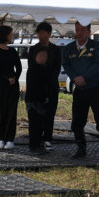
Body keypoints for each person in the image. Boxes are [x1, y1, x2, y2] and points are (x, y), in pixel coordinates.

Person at [62, 21, 99, 160]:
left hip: (95, 89)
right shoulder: (69, 48)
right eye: (77, 29)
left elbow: (98, 64)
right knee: (77, 122)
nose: (79, 32)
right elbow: (66, 64)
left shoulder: (96, 46)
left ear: (89, 32)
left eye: (83, 30)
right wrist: (74, 78)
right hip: (79, 89)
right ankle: (81, 148)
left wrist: (84, 77)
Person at [27, 21, 62, 150]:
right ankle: (36, 140)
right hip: (37, 87)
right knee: (36, 115)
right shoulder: (33, 49)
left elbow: (56, 69)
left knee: (50, 113)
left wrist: (49, 83)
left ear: (49, 34)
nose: (40, 36)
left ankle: (48, 138)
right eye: (39, 33)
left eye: (43, 33)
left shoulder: (56, 49)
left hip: (51, 86)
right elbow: (32, 68)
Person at [0, 25, 21, 150]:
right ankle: (0, 138)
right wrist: (6, 78)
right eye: (11, 34)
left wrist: (15, 78)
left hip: (12, 86)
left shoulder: (12, 51)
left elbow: (19, 67)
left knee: (11, 111)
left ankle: (10, 138)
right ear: (5, 35)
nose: (12, 36)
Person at [25, 47, 52, 154]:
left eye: (45, 56)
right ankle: (33, 146)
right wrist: (42, 98)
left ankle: (39, 145)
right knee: (34, 125)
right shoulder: (33, 69)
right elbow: (34, 87)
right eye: (40, 56)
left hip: (42, 101)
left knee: (41, 125)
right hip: (33, 101)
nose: (43, 58)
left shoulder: (45, 68)